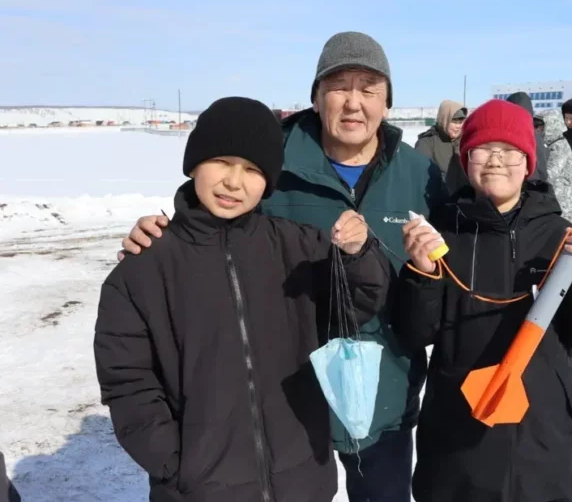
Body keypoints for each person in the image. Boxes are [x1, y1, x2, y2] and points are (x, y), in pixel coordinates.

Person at [117, 32, 446, 502]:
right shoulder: (272, 161)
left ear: (388, 103)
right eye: (338, 86)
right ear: (315, 97)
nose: (354, 102)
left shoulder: (421, 175)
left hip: (382, 394)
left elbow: (451, 264)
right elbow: (213, 223)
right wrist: (157, 234)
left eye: (369, 88)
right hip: (284, 402)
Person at [95, 97, 392, 502]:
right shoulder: (144, 268)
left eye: (252, 169)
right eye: (221, 161)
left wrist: (358, 255)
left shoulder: (299, 246)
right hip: (200, 488)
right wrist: (175, 463)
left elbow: (356, 306)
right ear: (194, 163)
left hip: (302, 482)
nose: (234, 182)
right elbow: (127, 380)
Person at [394, 99, 572, 501]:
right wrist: (422, 273)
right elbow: (414, 332)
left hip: (543, 436)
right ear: (465, 157)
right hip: (459, 438)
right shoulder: (442, 233)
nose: (496, 161)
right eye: (483, 149)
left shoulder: (560, 236)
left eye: (510, 150)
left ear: (529, 161)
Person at [415, 100, 468, 193]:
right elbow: (421, 176)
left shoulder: (466, 140)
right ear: (444, 120)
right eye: (454, 121)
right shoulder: (427, 142)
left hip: (467, 201)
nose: (458, 126)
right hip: (439, 201)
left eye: (461, 121)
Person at [536, 109, 572, 224]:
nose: (537, 129)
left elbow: (549, 174)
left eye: (540, 126)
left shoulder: (559, 147)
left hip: (563, 205)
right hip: (554, 203)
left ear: (551, 126)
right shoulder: (550, 145)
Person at [505, 92, 549, 183]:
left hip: (520, 184)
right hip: (535, 185)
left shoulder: (509, 136)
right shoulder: (535, 135)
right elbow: (543, 168)